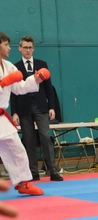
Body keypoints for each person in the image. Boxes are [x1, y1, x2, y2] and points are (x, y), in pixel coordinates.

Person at [10, 36, 63, 182]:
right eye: (25, 47)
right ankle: (33, 173)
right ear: (20, 48)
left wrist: (52, 107)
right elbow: (13, 91)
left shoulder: (42, 64)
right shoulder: (15, 67)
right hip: (23, 107)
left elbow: (49, 89)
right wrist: (14, 112)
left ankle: (53, 171)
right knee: (28, 140)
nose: (28, 50)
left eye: (30, 47)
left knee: (45, 137)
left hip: (41, 106)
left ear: (33, 48)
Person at [0, 31, 46, 196]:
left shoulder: (8, 66)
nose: (9, 48)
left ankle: (23, 183)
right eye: (5, 44)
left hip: (1, 119)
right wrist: (3, 83)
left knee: (16, 149)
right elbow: (7, 84)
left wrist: (36, 79)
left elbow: (19, 88)